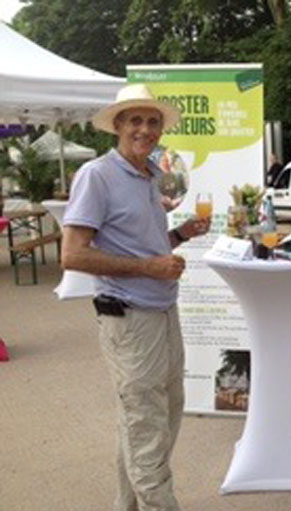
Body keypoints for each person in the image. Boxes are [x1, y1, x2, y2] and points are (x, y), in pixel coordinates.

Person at [61, 83, 211, 511]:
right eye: (136, 120)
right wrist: (149, 268)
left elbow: (142, 247)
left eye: (153, 122)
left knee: (157, 416)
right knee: (146, 425)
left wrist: (179, 235)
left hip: (162, 311)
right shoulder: (97, 175)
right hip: (128, 317)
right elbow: (72, 255)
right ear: (118, 126)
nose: (145, 129)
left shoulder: (148, 176)